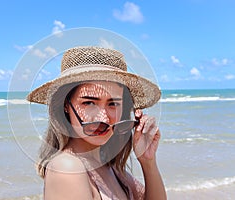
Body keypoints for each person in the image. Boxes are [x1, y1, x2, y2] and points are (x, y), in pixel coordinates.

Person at [27, 46, 166, 200]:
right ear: (65, 105)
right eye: (89, 103)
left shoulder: (111, 168)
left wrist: (148, 161)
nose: (104, 118)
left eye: (113, 104)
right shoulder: (68, 167)